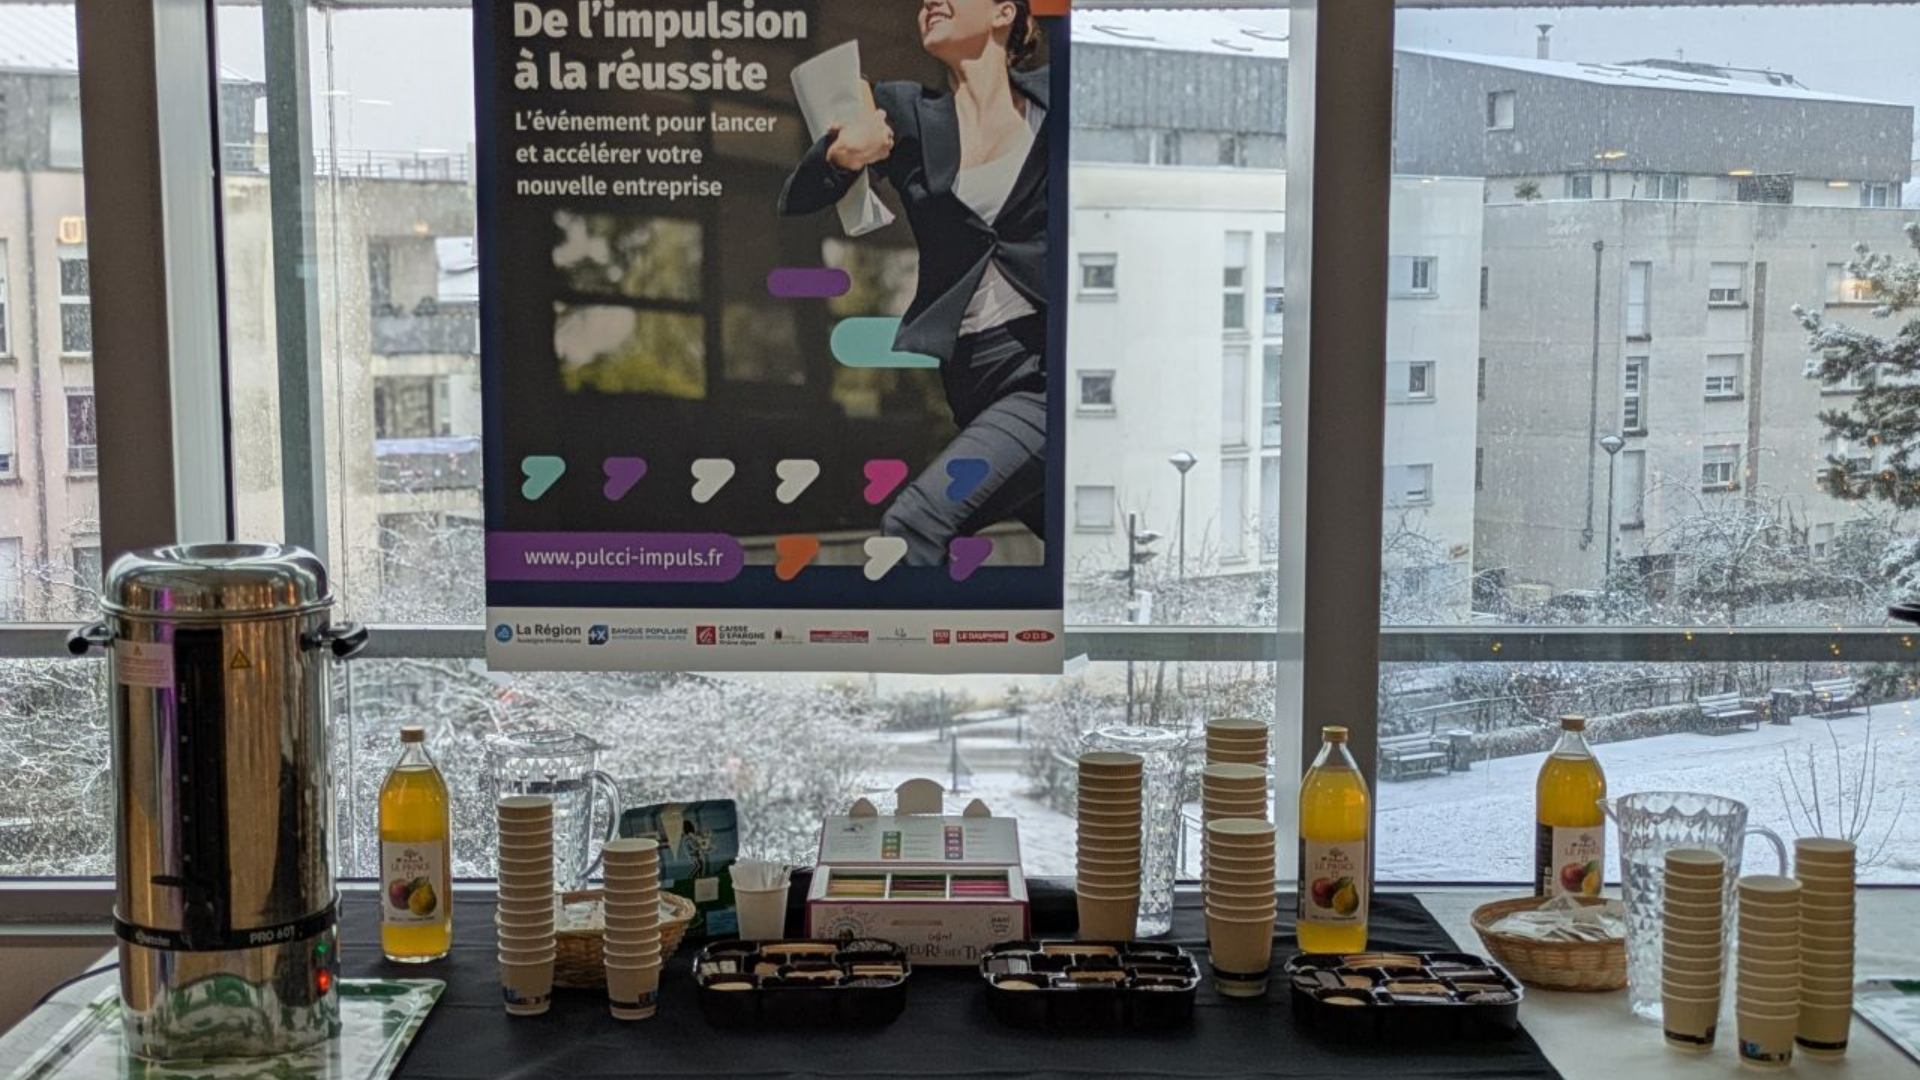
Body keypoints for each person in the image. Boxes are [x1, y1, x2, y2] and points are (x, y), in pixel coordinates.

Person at [780, 0, 1049, 567]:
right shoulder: (908, 113)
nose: (931, 1)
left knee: (913, 526)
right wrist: (842, 155)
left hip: (1047, 372)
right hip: (975, 378)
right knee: (1090, 547)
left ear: (1004, 12)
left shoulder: (1057, 102)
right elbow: (797, 198)